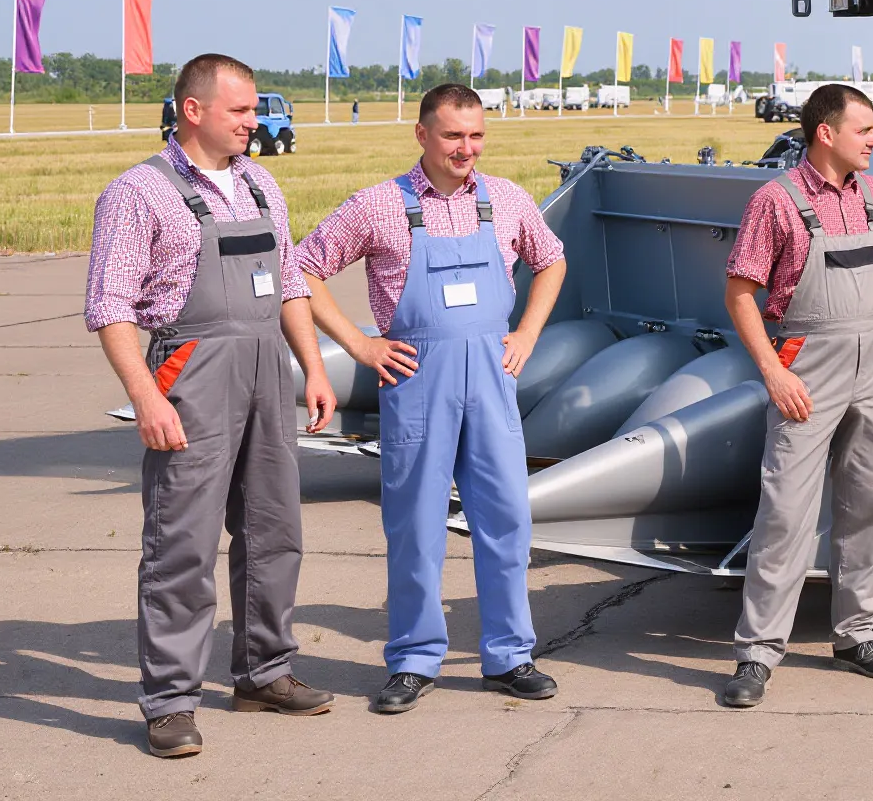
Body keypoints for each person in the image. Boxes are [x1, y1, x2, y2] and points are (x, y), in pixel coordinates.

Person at [85, 54, 338, 758]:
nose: (253, 123)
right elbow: (109, 307)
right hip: (189, 371)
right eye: (240, 111)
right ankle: (169, 702)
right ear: (193, 110)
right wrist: (145, 397)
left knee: (273, 528)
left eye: (254, 110)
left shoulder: (261, 183)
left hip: (266, 367)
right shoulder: (140, 192)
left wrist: (312, 368)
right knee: (182, 543)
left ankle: (264, 671)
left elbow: (291, 282)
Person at [295, 84, 567, 715]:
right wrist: (361, 347)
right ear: (423, 135)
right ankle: (415, 658)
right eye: (452, 136)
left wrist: (527, 332)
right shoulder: (378, 206)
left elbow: (551, 261)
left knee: (507, 520)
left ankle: (509, 656)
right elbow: (302, 266)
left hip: (493, 380)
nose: (465, 148)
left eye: (475, 136)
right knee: (416, 524)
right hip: (417, 382)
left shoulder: (508, 200)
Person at [716, 83, 873, 708]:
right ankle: (757, 652)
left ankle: (856, 633)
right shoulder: (776, 202)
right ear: (826, 134)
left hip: (872, 358)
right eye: (865, 130)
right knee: (785, 509)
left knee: (868, 501)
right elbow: (739, 294)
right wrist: (774, 374)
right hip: (806, 361)